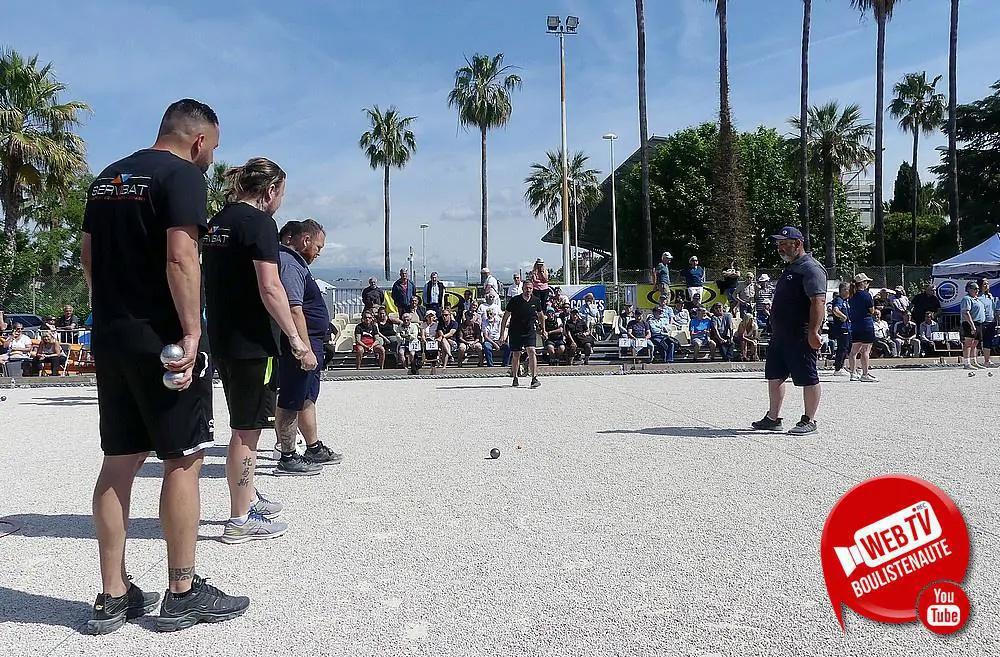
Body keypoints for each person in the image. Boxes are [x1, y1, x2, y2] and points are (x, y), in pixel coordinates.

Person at [81, 99, 248, 633]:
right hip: (163, 342)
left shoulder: (107, 179)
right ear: (198, 141)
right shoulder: (181, 177)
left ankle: (113, 594)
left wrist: (108, 310)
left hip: (112, 338)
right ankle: (182, 590)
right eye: (213, 149)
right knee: (183, 459)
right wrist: (193, 332)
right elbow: (180, 256)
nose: (211, 159)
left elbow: (87, 252)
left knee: (119, 460)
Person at [203, 159, 320, 540]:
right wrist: (297, 340)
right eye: (281, 194)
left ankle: (248, 495)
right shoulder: (259, 224)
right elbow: (271, 288)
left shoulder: (220, 221)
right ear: (270, 191)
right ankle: (240, 519)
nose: (280, 203)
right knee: (247, 430)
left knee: (244, 423)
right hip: (253, 341)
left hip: (224, 335)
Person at [274, 218, 342, 475]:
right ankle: (287, 455)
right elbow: (294, 309)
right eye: (318, 247)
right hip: (302, 344)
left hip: (313, 340)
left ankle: (312, 447)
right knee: (291, 399)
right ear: (305, 240)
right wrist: (304, 348)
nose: (319, 253)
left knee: (306, 397)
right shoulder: (291, 264)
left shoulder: (298, 264)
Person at [751, 227, 826, 435]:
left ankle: (809, 419)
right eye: (779, 244)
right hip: (780, 334)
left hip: (799, 333)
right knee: (774, 376)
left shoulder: (811, 268)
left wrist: (813, 331)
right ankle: (773, 418)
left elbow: (818, 301)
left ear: (798, 243)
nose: (781, 248)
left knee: (808, 376)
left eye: (785, 244)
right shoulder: (791, 267)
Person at [500, 280, 545, 388]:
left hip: (529, 331)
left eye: (530, 288)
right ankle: (515, 377)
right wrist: (502, 334)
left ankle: (534, 378)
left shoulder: (536, 300)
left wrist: (543, 329)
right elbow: (505, 317)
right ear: (522, 288)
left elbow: (541, 315)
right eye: (526, 288)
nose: (528, 290)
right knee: (516, 354)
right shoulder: (515, 300)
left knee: (532, 351)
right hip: (515, 331)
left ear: (532, 288)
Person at [847, 273, 878, 382]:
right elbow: (871, 310)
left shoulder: (852, 296)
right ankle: (865, 374)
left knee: (853, 351)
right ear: (863, 283)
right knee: (866, 350)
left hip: (855, 325)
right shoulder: (866, 295)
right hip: (866, 324)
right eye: (867, 282)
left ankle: (853, 373)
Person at [960, 281, 984, 370]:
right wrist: (972, 325)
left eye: (978, 288)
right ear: (969, 289)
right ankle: (966, 363)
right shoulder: (967, 299)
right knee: (968, 344)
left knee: (975, 343)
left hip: (978, 323)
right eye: (975, 288)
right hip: (969, 323)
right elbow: (966, 312)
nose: (977, 290)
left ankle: (974, 361)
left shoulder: (977, 299)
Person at [829, 283, 852, 376]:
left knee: (846, 347)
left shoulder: (845, 300)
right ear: (843, 290)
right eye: (848, 289)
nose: (849, 291)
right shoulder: (838, 300)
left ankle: (842, 365)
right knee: (842, 347)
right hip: (842, 328)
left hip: (848, 327)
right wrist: (843, 316)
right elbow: (835, 310)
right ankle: (838, 368)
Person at [978, 278, 996, 367]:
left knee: (988, 341)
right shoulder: (977, 297)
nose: (987, 285)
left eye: (987, 284)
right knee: (977, 342)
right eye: (985, 284)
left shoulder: (990, 296)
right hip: (982, 322)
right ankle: (973, 361)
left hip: (991, 321)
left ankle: (987, 361)